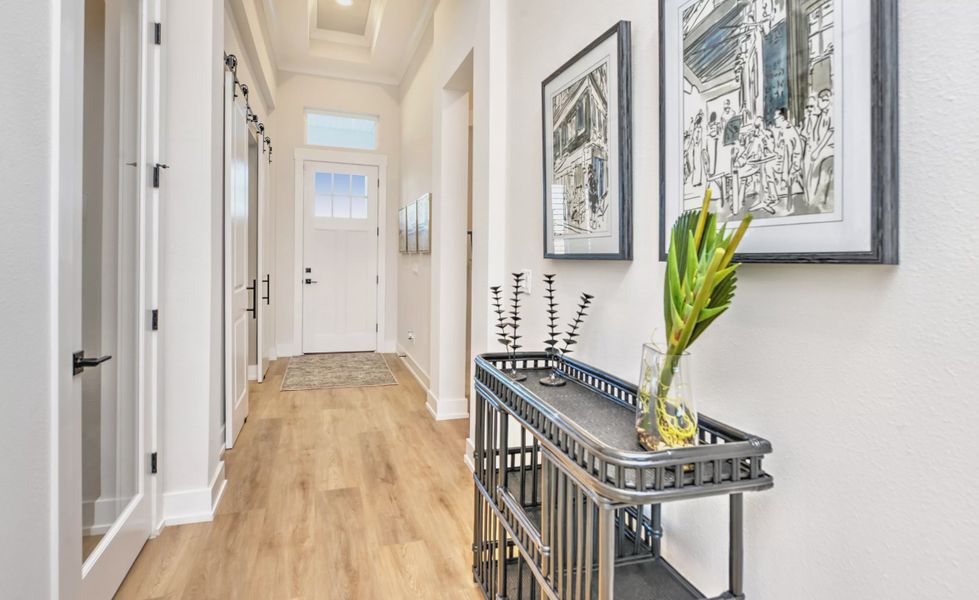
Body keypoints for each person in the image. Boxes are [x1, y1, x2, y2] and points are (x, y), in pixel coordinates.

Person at [806, 89, 835, 209]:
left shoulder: (832, 112)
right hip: (822, 148)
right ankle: (814, 199)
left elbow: (830, 132)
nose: (818, 105)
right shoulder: (822, 114)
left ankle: (814, 200)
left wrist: (817, 150)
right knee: (813, 170)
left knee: (815, 170)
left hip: (829, 148)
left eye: (819, 102)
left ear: (826, 100)